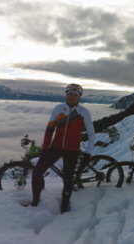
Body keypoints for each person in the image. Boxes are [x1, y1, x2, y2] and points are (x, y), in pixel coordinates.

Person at [31, 83, 96, 213]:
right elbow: (50, 129)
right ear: (66, 95)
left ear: (79, 97)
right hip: (56, 147)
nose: (72, 97)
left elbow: (91, 133)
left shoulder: (84, 112)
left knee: (67, 181)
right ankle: (35, 200)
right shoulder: (58, 109)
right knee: (37, 172)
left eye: (75, 95)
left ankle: (64, 208)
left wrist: (88, 153)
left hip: (72, 150)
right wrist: (45, 148)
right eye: (69, 94)